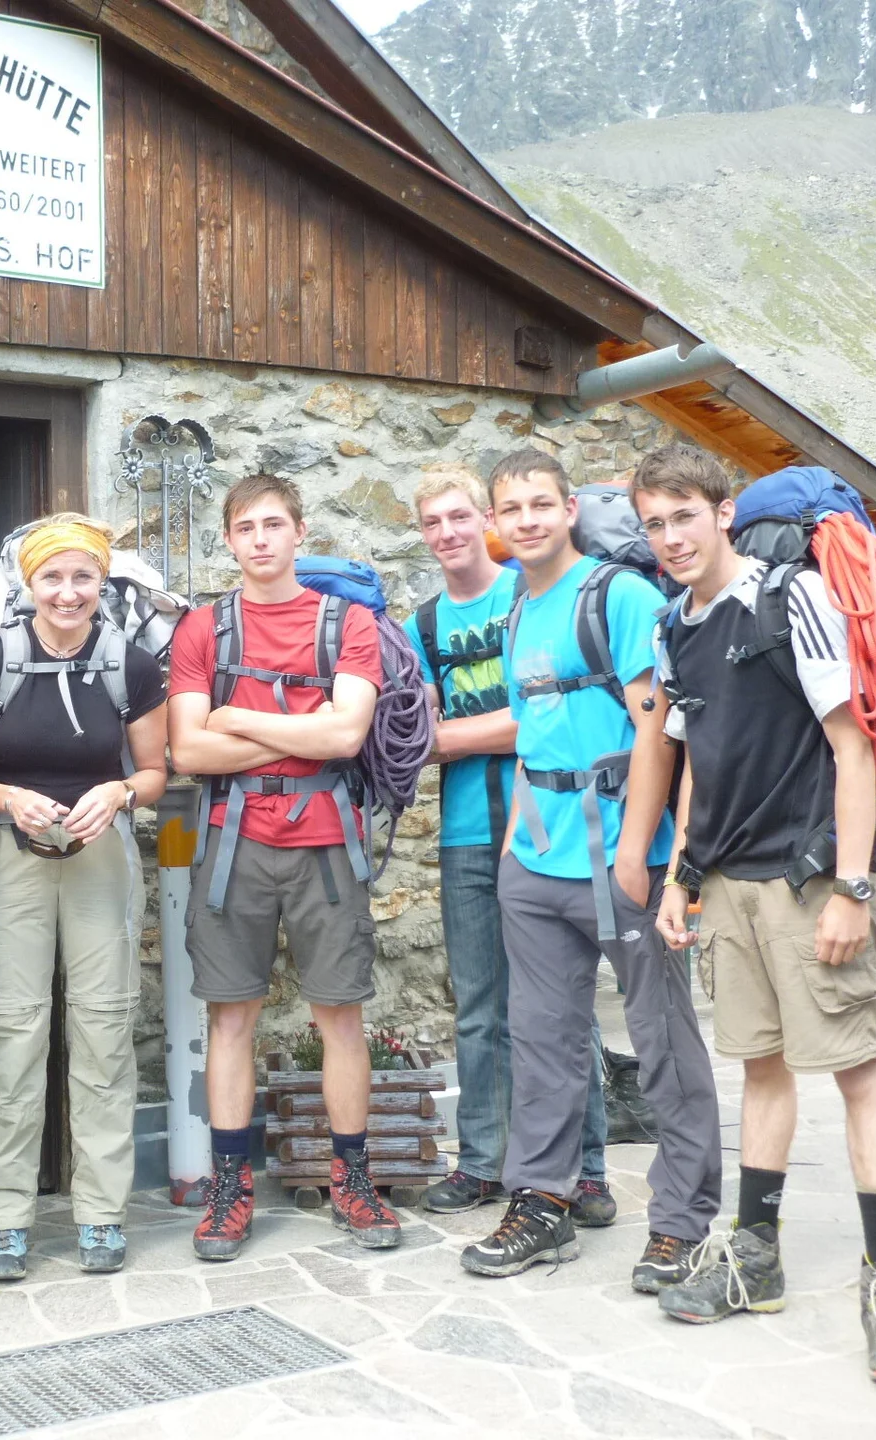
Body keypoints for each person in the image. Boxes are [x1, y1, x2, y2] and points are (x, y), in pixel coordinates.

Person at [636, 444, 876, 1384]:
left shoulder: (788, 597)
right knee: (762, 1070)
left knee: (854, 1069)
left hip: (807, 882)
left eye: (685, 515)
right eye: (654, 522)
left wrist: (850, 885)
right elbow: (691, 764)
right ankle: (752, 1260)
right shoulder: (671, 627)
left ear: (722, 512)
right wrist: (682, 876)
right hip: (726, 883)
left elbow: (850, 748)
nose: (671, 537)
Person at [461, 449, 721, 1290]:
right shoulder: (516, 609)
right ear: (497, 522)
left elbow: (657, 729)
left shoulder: (620, 594)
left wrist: (638, 854)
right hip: (534, 865)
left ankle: (680, 1221)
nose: (528, 519)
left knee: (662, 1044)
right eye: (513, 508)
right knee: (540, 1042)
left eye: (542, 503)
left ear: (569, 507)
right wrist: (511, 852)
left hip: (621, 861)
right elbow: (536, 732)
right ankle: (544, 1200)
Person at [168, 473, 401, 1258]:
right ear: (229, 540)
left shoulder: (350, 622)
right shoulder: (203, 629)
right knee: (229, 1016)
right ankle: (232, 1190)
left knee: (339, 1014)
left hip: (326, 846)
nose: (261, 539)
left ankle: (352, 1181)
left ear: (300, 532)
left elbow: (346, 739)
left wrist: (238, 715)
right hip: (234, 841)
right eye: (246, 527)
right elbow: (188, 750)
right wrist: (295, 725)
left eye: (274, 524)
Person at [0, 515, 168, 1281]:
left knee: (105, 1030)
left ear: (101, 583)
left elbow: (154, 772)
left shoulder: (131, 668)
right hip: (13, 855)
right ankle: (4, 1217)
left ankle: (101, 1213)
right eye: (54, 578)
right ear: (29, 584)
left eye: (83, 577)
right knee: (11, 1034)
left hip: (99, 853)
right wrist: (9, 799)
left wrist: (117, 791)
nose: (69, 592)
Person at [406, 471, 616, 1228]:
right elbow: (408, 734)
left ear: (484, 520)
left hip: (546, 826)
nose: (448, 532)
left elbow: (540, 713)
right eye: (433, 522)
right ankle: (483, 1163)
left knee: (564, 1005)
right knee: (479, 1007)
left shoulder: (528, 599)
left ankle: (586, 1169)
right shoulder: (422, 626)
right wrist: (437, 740)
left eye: (460, 516)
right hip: (467, 829)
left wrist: (449, 738)